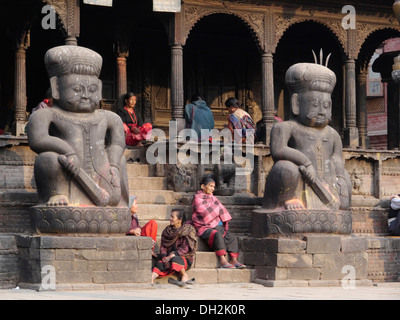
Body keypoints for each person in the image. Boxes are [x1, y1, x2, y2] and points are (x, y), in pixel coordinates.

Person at [27, 45, 129, 208]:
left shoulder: (109, 117)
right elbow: (38, 139)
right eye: (76, 89)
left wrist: (114, 164)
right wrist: (67, 151)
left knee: (122, 161)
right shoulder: (48, 114)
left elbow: (117, 142)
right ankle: (55, 194)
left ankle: (120, 204)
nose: (86, 95)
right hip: (67, 173)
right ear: (56, 87)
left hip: (102, 176)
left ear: (100, 89)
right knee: (47, 159)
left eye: (92, 89)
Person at [262, 62, 351, 211]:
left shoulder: (332, 134)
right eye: (315, 105)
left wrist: (341, 178)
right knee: (285, 168)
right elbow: (278, 150)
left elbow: (336, 158)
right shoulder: (285, 127)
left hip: (325, 183)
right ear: (296, 103)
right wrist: (306, 163)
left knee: (345, 177)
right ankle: (288, 199)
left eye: (327, 105)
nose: (322, 111)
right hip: (300, 178)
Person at [191, 175, 245, 269]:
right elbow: (204, 213)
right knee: (217, 235)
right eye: (210, 186)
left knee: (232, 237)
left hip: (216, 225)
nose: (212, 189)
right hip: (204, 227)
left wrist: (216, 216)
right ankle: (222, 260)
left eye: (213, 187)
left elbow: (222, 210)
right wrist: (216, 213)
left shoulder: (213, 198)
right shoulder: (197, 198)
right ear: (203, 186)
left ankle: (234, 260)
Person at [152, 209, 197, 286]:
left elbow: (185, 249)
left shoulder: (187, 230)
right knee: (160, 263)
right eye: (170, 216)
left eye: (172, 217)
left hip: (184, 258)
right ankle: (151, 279)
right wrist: (164, 257)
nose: (170, 218)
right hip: (168, 257)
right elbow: (163, 246)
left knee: (175, 259)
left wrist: (170, 256)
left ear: (180, 219)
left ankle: (184, 275)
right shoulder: (167, 231)